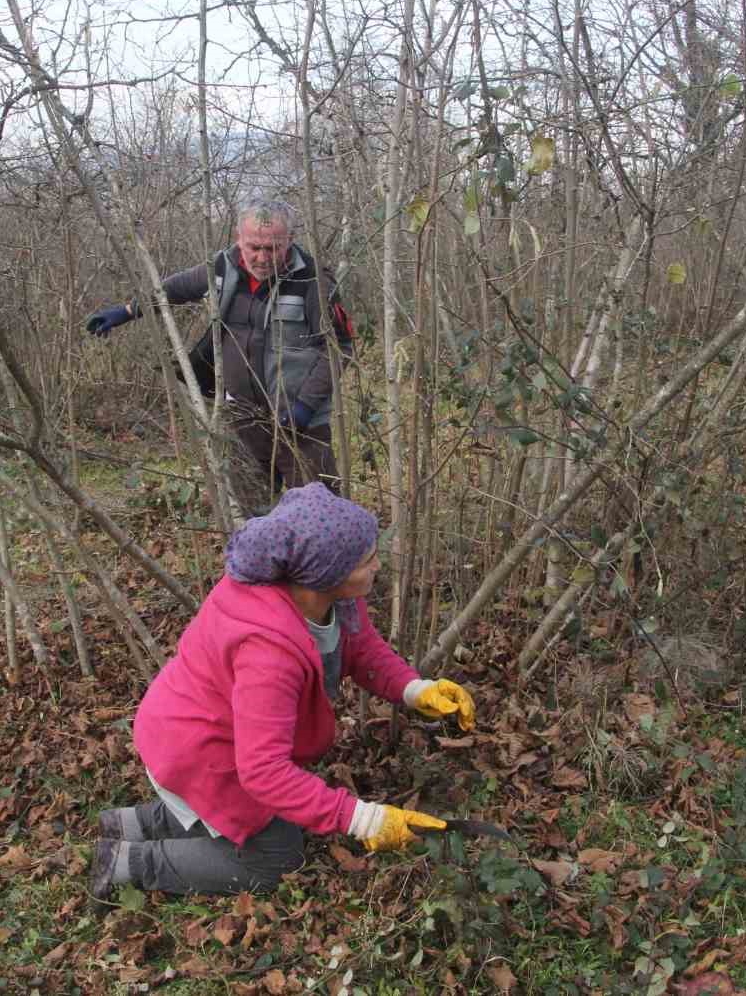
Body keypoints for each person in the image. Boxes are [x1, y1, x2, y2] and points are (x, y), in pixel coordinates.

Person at [90, 482, 477, 898]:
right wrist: (363, 820)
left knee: (278, 819)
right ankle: (125, 863)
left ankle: (131, 823)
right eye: (368, 560)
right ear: (327, 574)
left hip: (215, 736)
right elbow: (264, 771)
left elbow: (360, 646)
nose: (377, 565)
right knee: (275, 856)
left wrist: (415, 689)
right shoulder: (267, 652)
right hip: (196, 750)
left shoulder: (332, 598)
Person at [85, 199, 354, 511]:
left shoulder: (313, 282)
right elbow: (174, 288)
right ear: (239, 238)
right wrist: (129, 310)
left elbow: (340, 348)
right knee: (252, 514)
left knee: (321, 515)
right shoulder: (224, 267)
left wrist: (305, 406)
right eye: (254, 247)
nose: (262, 257)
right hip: (241, 419)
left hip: (299, 426)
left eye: (273, 248)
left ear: (289, 242)